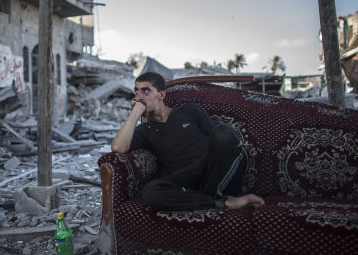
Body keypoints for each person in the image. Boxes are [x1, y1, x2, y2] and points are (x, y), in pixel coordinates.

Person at [111, 72, 264, 211]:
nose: (139, 96)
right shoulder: (145, 131)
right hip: (186, 181)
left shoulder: (188, 110)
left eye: (146, 90)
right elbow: (118, 147)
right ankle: (221, 202)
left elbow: (220, 141)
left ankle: (214, 193)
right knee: (151, 192)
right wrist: (135, 113)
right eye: (136, 91)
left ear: (162, 94)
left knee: (224, 132)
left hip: (214, 170)